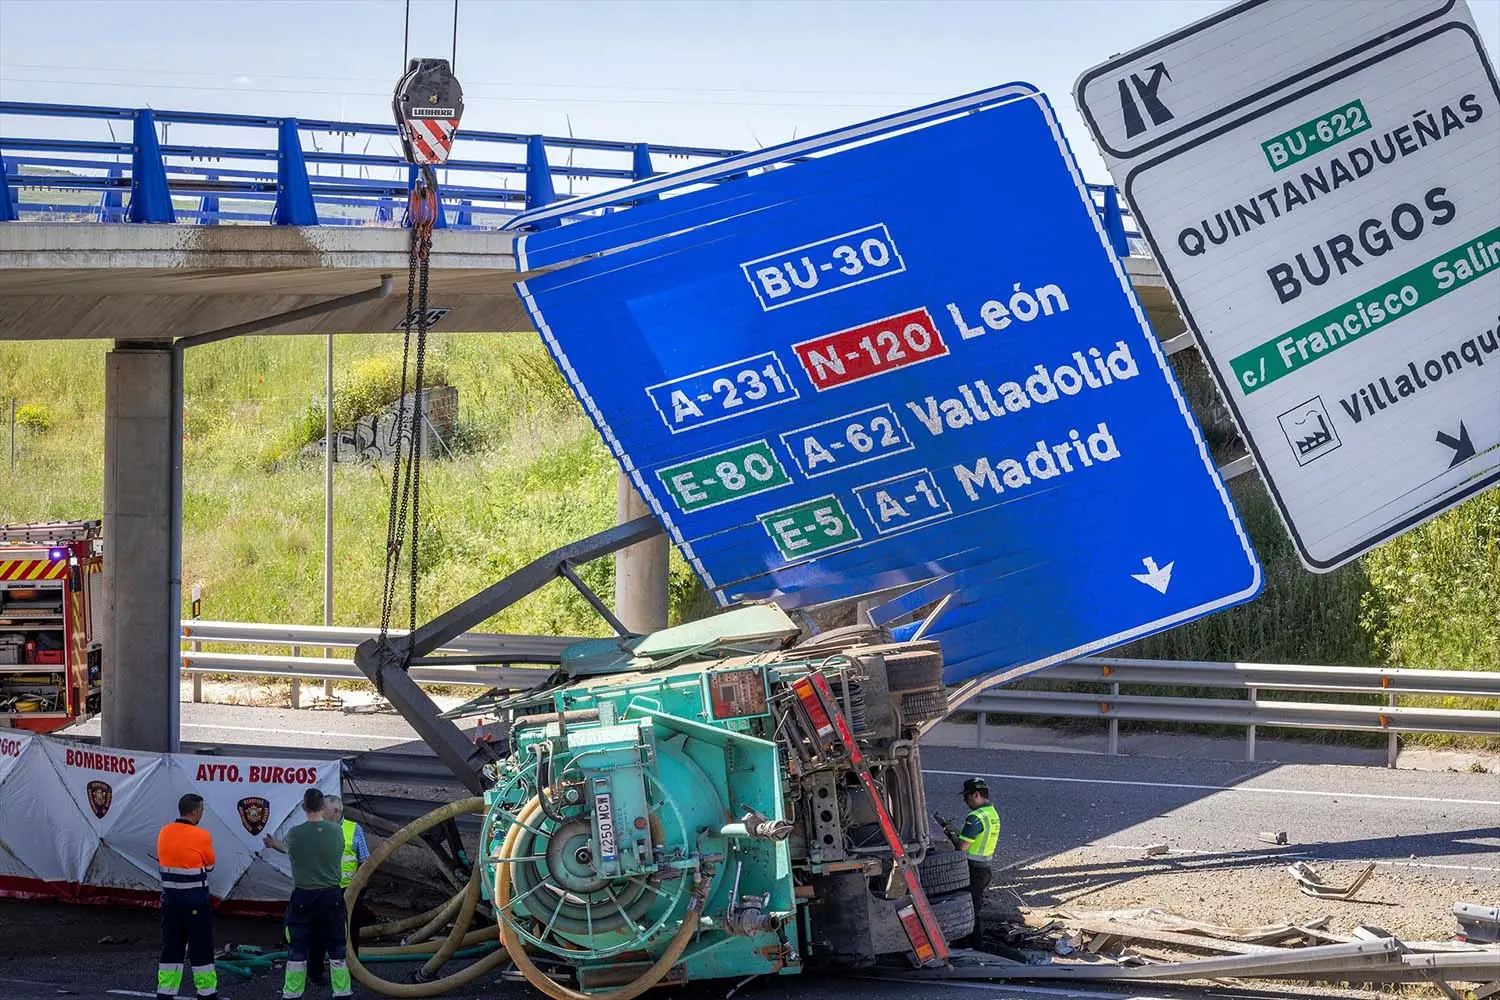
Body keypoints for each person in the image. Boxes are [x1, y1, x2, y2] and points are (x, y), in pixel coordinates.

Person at [264, 788, 352, 999]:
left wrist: (274, 844)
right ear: (323, 807)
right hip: (331, 895)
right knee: (337, 947)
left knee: (298, 947)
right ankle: (342, 992)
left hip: (303, 896)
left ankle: (292, 994)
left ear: (304, 808)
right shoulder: (336, 831)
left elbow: (289, 850)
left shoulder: (295, 834)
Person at [156, 793, 218, 1000]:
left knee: (171, 947)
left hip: (170, 900)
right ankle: (206, 992)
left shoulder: (164, 832)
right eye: (201, 811)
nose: (201, 814)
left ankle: (165, 992)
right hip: (195, 901)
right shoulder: (201, 835)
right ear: (194, 812)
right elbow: (210, 865)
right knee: (201, 948)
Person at [306, 796, 371, 983]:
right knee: (318, 932)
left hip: (348, 892)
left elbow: (365, 860)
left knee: (350, 932)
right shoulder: (316, 829)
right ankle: (316, 973)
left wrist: (360, 885)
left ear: (335, 812)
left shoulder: (354, 829)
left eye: (323, 808)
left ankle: (352, 970)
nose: (320, 811)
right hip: (322, 890)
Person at [939, 777, 1001, 948]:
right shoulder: (992, 813)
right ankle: (974, 944)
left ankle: (970, 945)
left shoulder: (974, 817)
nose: (964, 801)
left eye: (966, 797)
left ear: (976, 795)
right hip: (985, 869)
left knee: (965, 910)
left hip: (972, 870)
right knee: (974, 908)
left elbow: (963, 847)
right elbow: (975, 839)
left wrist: (951, 834)